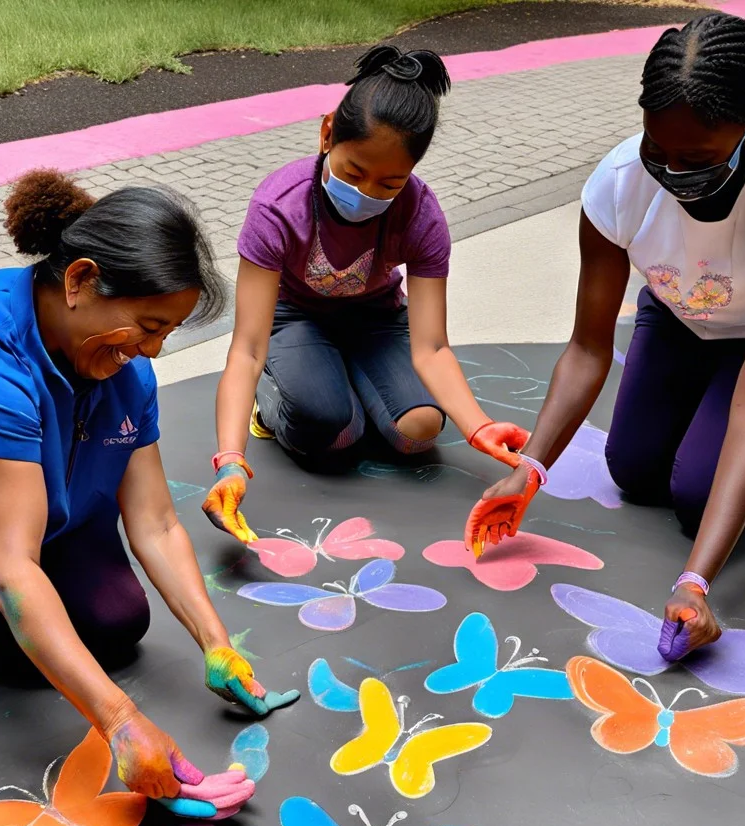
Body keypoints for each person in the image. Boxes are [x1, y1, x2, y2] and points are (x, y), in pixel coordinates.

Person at [0, 171, 297, 814]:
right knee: (11, 643)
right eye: (147, 325)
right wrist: (122, 724)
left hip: (33, 507)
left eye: (167, 331)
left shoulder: (119, 363)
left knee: (115, 623)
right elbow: (8, 572)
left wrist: (218, 645)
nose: (154, 352)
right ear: (80, 281)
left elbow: (158, 523)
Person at [467, 14, 745, 659]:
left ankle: (715, 452)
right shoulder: (619, 181)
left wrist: (695, 582)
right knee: (632, 471)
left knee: (696, 494)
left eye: (698, 159)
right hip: (681, 316)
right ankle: (700, 414)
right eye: (658, 151)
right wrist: (530, 470)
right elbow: (589, 348)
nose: (671, 172)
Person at [203, 45, 527, 544]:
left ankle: (344, 381)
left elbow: (431, 347)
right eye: (354, 174)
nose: (369, 194)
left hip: (375, 320)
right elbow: (247, 347)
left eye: (390, 183)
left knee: (419, 431)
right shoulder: (279, 205)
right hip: (294, 319)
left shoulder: (421, 215)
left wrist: (479, 428)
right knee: (334, 435)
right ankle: (273, 407)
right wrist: (231, 459)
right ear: (327, 131)